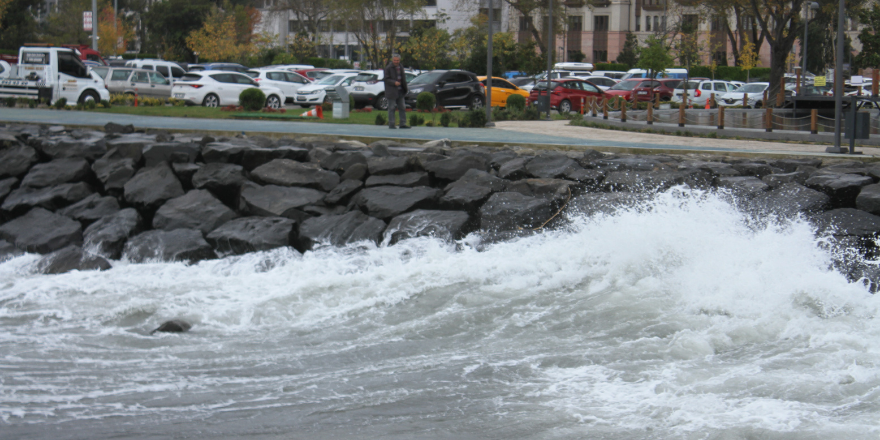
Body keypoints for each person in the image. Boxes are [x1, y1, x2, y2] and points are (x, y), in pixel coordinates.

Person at [383, 53, 409, 129]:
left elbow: (403, 79)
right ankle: (391, 124)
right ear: (392, 60)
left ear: (399, 60)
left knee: (402, 107)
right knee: (391, 108)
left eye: (397, 60)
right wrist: (394, 82)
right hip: (391, 91)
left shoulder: (401, 67)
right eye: (395, 60)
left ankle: (402, 123)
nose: (396, 61)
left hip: (400, 91)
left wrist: (405, 87)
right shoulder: (388, 68)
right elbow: (386, 79)